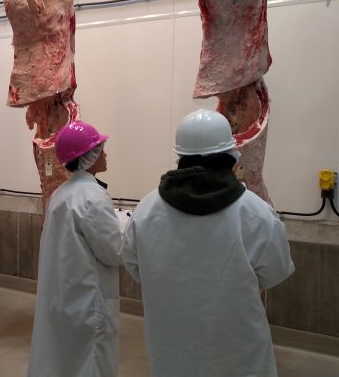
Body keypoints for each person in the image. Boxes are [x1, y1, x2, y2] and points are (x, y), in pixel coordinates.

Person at [122, 109, 295, 377]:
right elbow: (275, 271)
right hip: (238, 353)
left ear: (180, 157)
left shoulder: (145, 211)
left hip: (171, 350)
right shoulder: (255, 213)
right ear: (231, 158)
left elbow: (135, 267)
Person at [27, 120, 124, 377]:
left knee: (65, 359)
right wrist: (125, 227)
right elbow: (113, 251)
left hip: (66, 295)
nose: (105, 154)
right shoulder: (92, 197)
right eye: (101, 149)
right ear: (89, 157)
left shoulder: (61, 193)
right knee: (89, 361)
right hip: (87, 300)